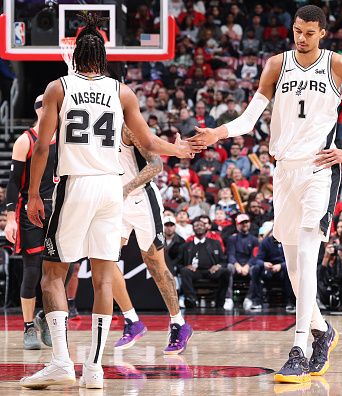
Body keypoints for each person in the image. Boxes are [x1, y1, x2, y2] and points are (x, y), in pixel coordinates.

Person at [191, 4, 342, 383]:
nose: (301, 37)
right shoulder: (275, 65)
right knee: (295, 269)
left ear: (323, 34)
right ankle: (324, 332)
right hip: (283, 171)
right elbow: (251, 118)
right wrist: (218, 133)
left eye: (309, 32)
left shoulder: (339, 65)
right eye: (297, 30)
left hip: (319, 169)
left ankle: (299, 349)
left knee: (307, 251)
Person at [20, 13, 198, 390]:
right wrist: (179, 150)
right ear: (103, 57)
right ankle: (95, 371)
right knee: (103, 277)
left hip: (76, 183)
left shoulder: (58, 88)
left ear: (75, 56)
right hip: (111, 188)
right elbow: (150, 144)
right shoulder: (122, 91)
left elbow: (41, 148)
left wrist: (34, 193)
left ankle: (62, 362)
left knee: (53, 274)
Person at [111, 125, 193, 354]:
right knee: (104, 260)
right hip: (114, 202)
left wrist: (127, 188)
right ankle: (131, 321)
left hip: (141, 199)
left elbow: (156, 164)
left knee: (155, 264)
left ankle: (179, 323)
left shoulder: (127, 126)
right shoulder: (96, 126)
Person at [5, 96, 56, 349]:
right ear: (39, 111)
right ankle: (27, 327)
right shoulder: (25, 140)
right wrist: (9, 219)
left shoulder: (67, 140)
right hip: (30, 209)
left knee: (61, 271)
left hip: (59, 209)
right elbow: (13, 183)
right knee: (32, 269)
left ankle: (45, 318)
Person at [180, 219, 229, 308]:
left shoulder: (215, 243)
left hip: (211, 271)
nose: (199, 227)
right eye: (196, 225)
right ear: (193, 229)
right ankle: (191, 299)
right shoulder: (186, 246)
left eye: (201, 225)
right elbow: (179, 263)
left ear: (206, 228)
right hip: (195, 272)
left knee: (225, 272)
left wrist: (218, 266)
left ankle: (220, 301)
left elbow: (223, 261)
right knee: (184, 271)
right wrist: (187, 266)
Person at [249, 230, 294, 312]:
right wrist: (264, 264)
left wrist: (281, 265)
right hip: (268, 268)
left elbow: (292, 260)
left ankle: (290, 302)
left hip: (283, 268)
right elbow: (257, 259)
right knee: (255, 268)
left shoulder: (288, 241)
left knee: (290, 269)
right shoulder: (266, 242)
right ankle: (257, 301)